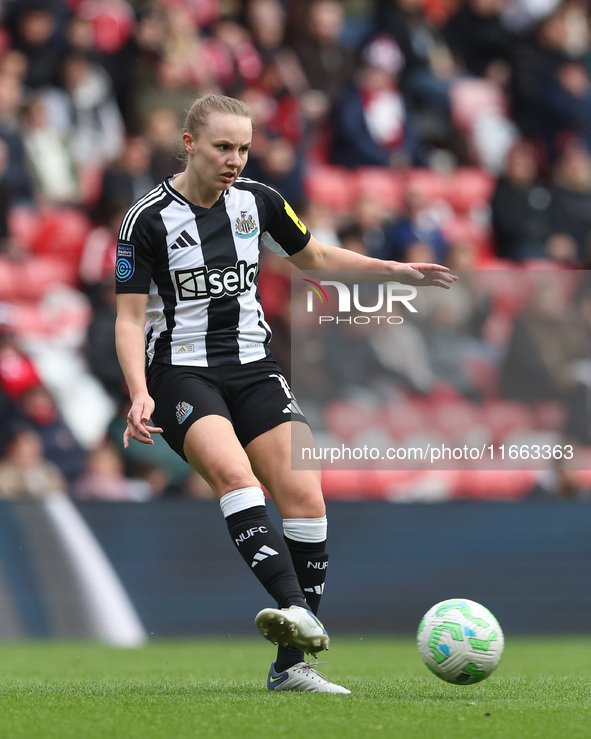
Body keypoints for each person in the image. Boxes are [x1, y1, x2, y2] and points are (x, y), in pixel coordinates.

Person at [115, 93, 456, 694]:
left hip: (253, 366)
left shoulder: (261, 203)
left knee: (304, 493)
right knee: (236, 477)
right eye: (223, 147)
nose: (235, 160)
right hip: (180, 373)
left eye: (244, 148)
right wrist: (138, 393)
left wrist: (395, 271)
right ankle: (298, 613)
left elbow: (317, 257)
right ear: (190, 143)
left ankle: (290, 666)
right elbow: (125, 318)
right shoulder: (146, 219)